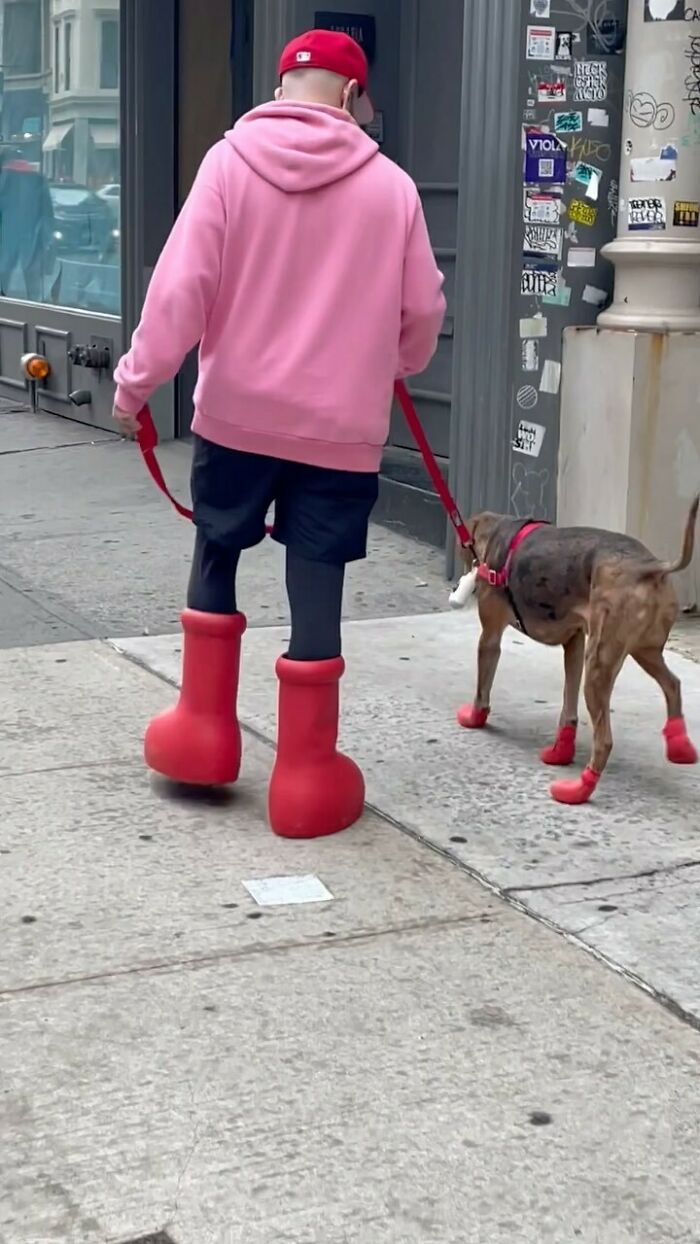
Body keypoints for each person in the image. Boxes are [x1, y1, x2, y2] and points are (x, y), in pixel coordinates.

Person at [112, 29, 446, 839]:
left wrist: (136, 386)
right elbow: (423, 313)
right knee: (317, 572)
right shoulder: (392, 187)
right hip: (339, 428)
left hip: (238, 413)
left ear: (284, 86)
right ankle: (304, 774)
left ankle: (201, 732)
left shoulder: (229, 165)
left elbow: (181, 286)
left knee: (217, 551)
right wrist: (386, 360)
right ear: (350, 95)